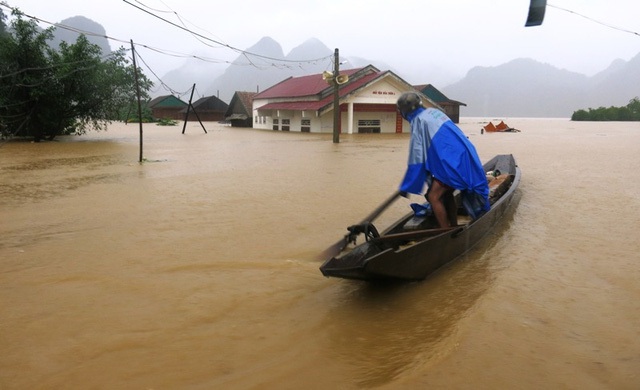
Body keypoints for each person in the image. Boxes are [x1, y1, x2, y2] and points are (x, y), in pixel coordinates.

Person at [397, 92, 490, 228]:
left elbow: (417, 157)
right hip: (465, 155)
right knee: (447, 194)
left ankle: (445, 232)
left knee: (433, 197)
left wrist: (407, 186)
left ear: (404, 112)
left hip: (451, 162)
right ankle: (453, 225)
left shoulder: (418, 121)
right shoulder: (433, 112)